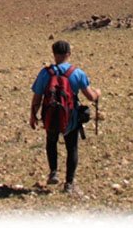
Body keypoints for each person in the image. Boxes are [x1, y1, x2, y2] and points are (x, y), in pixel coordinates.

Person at [29, 40, 100, 194]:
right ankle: (69, 183)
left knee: (51, 142)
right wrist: (97, 93)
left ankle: (53, 171)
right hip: (71, 118)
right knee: (72, 148)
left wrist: (33, 116)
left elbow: (37, 97)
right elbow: (90, 96)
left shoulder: (45, 73)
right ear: (69, 54)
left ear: (54, 54)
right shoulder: (77, 73)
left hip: (51, 116)